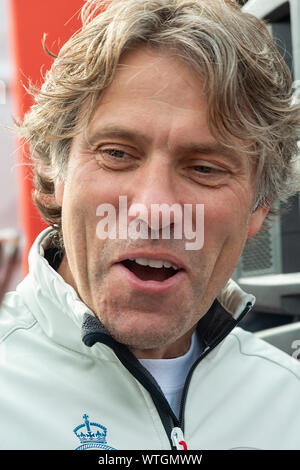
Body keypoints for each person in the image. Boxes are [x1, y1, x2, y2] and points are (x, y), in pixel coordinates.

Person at [1, 0, 300, 450]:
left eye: (204, 167)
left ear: (259, 206)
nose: (155, 210)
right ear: (57, 174)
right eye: (116, 153)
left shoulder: (288, 403)